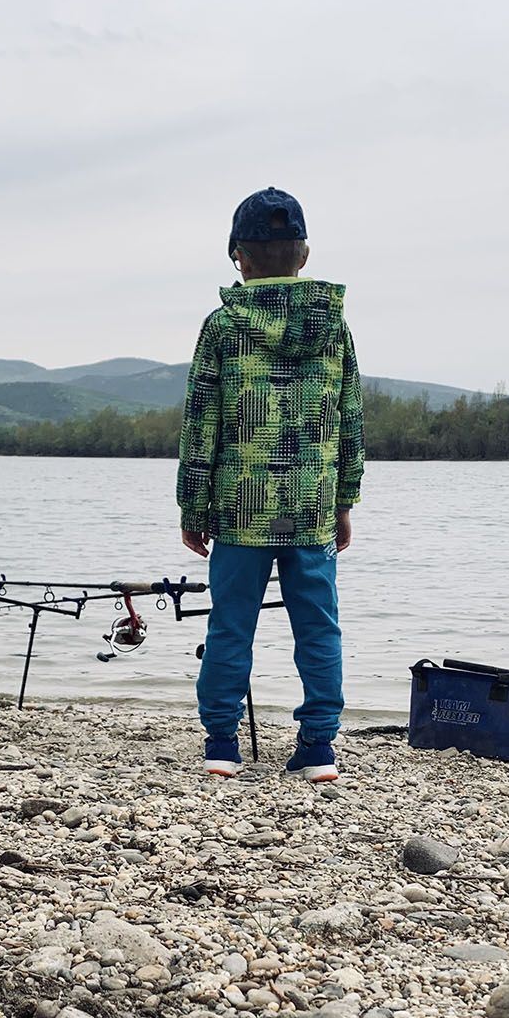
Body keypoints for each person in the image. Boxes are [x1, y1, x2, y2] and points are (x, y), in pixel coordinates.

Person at [177, 187, 364, 782]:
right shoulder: (333, 324)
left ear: (241, 258)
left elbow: (201, 420)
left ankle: (222, 746)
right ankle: (318, 749)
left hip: (240, 508)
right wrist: (344, 499)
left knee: (230, 624)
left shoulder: (223, 327)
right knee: (319, 626)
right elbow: (350, 419)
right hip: (310, 506)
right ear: (303, 256)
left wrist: (192, 504)